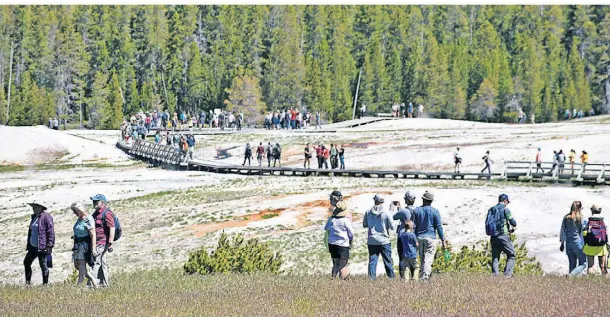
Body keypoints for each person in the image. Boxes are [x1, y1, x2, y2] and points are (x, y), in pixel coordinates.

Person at [411, 191, 445, 280]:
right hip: (431, 238)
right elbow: (438, 227)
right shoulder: (435, 211)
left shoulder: (416, 210)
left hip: (419, 237)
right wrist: (443, 240)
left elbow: (413, 226)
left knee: (422, 260)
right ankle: (424, 278)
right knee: (428, 259)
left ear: (423, 199)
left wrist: (413, 239)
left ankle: (423, 277)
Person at [363, 194, 395, 280]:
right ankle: (391, 278)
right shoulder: (386, 212)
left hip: (372, 239)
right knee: (388, 260)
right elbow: (392, 227)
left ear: (375, 201)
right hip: (384, 240)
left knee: (373, 261)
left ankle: (371, 279)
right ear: (382, 201)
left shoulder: (368, 211)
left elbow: (365, 224)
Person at [485, 194, 517, 278]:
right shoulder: (505, 210)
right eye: (507, 202)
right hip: (503, 236)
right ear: (505, 201)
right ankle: (507, 276)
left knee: (495, 256)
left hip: (493, 236)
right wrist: (511, 228)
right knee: (511, 254)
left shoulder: (491, 210)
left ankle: (494, 276)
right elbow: (513, 223)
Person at [324, 192, 353, 280]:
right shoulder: (345, 220)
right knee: (343, 265)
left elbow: (326, 228)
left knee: (336, 263)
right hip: (343, 243)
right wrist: (350, 241)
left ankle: (333, 280)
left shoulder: (331, 219)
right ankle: (341, 283)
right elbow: (351, 233)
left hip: (332, 243)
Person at [24, 202, 54, 285]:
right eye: (33, 207)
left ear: (41, 207)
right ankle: (28, 283)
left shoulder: (47, 217)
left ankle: (45, 285)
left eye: (35, 207)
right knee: (26, 262)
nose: (33, 208)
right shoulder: (34, 217)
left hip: (42, 246)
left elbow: (50, 232)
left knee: (43, 266)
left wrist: (49, 245)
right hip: (33, 246)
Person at [90, 194, 115, 287]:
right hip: (97, 242)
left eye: (96, 202)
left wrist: (110, 243)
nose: (94, 203)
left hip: (103, 242)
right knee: (102, 262)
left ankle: (91, 285)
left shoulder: (107, 213)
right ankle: (104, 284)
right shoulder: (95, 214)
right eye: (93, 201)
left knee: (96, 262)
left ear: (102, 203)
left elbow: (112, 228)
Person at [71, 202, 97, 287]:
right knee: (77, 265)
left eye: (76, 211)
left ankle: (79, 286)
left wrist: (93, 249)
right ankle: (92, 278)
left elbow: (93, 235)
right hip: (77, 244)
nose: (75, 213)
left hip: (85, 245)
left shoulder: (88, 219)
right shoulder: (79, 219)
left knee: (82, 264)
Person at [392, 191, 416, 278]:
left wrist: (395, 208)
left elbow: (394, 217)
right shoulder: (416, 210)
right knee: (413, 257)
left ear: (407, 199)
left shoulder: (404, 211)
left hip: (402, 236)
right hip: (413, 235)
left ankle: (403, 277)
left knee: (402, 257)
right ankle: (414, 276)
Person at [559, 201, 587, 276]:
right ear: (580, 208)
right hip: (578, 242)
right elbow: (585, 230)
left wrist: (562, 243)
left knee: (572, 264)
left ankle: (570, 282)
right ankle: (571, 276)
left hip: (568, 243)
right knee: (584, 263)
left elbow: (563, 231)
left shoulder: (566, 218)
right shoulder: (581, 218)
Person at [583, 204, 607, 276]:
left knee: (590, 266)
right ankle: (605, 281)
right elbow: (606, 234)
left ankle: (591, 283)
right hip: (601, 246)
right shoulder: (603, 221)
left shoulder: (589, 221)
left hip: (590, 245)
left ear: (592, 211)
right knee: (603, 266)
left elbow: (584, 233)